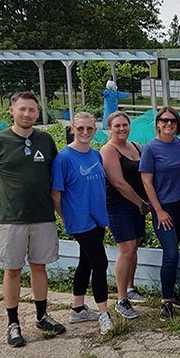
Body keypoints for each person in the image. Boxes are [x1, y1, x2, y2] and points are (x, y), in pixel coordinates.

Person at [0, 91, 65, 348]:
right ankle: (13, 323)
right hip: (12, 218)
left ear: (38, 113)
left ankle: (42, 316)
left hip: (42, 215)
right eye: (22, 109)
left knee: (40, 266)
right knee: (12, 269)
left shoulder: (46, 140)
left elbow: (52, 177)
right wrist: (9, 200)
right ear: (12, 111)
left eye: (32, 110)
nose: (27, 114)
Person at [51, 112, 113, 335]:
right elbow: (56, 193)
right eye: (80, 129)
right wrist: (64, 217)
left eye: (89, 129)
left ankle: (77, 309)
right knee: (100, 262)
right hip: (80, 219)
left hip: (98, 217)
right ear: (72, 129)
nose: (85, 133)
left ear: (95, 130)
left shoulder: (96, 155)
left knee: (85, 262)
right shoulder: (64, 158)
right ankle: (104, 313)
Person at [140, 106, 180, 321]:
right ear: (158, 123)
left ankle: (172, 293)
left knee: (174, 250)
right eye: (164, 120)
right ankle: (166, 300)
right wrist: (157, 210)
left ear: (178, 125)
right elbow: (146, 182)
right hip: (163, 208)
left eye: (173, 121)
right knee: (170, 252)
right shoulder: (151, 149)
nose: (168, 124)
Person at [101, 111, 151, 320]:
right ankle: (121, 299)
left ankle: (130, 287)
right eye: (117, 126)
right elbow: (119, 183)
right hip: (119, 205)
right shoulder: (108, 150)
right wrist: (141, 202)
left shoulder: (136, 147)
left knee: (135, 246)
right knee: (127, 250)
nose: (121, 129)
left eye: (124, 125)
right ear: (109, 128)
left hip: (137, 205)